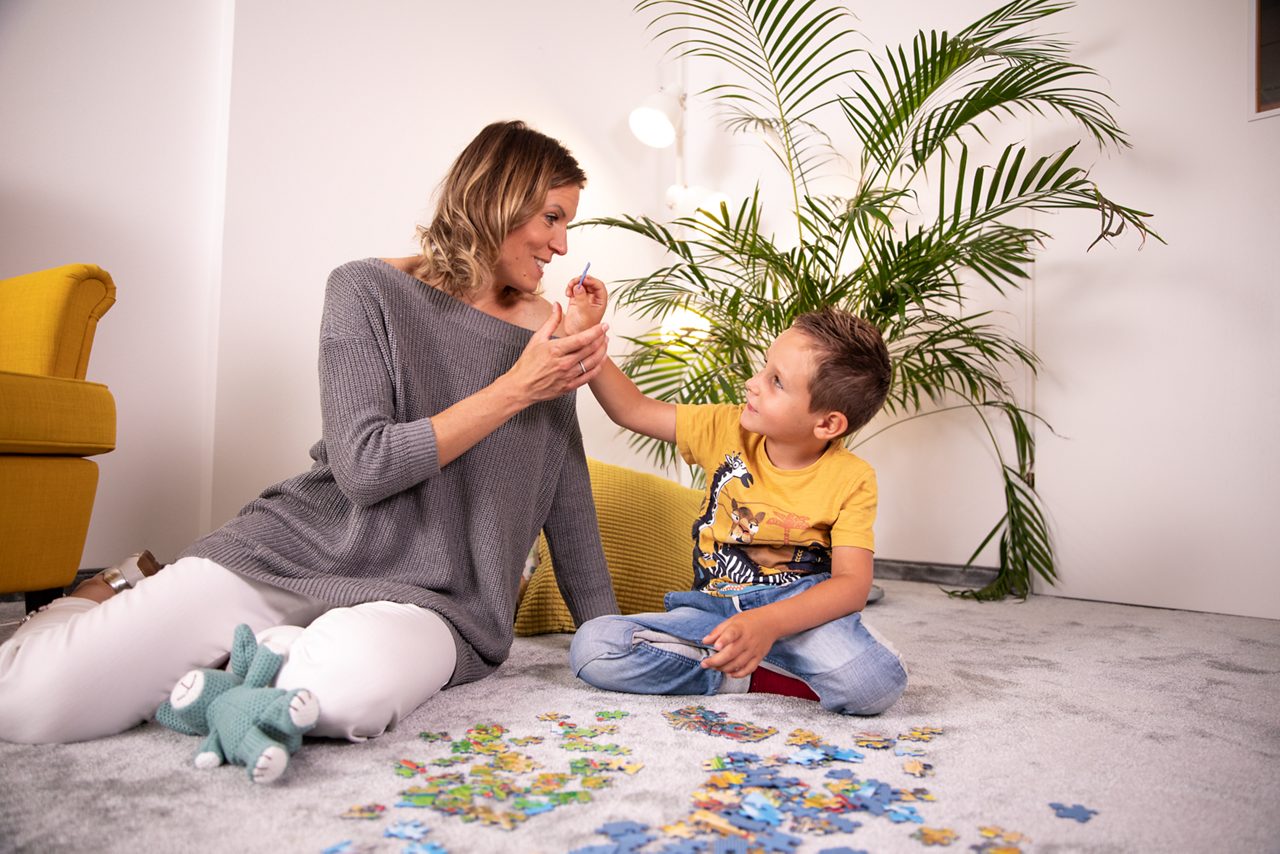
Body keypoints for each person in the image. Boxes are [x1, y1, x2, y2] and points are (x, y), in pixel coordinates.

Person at [0, 120, 619, 745]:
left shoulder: (550, 336)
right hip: (295, 552)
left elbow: (565, 498)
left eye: (568, 224)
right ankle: (101, 594)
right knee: (28, 705)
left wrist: (610, 639)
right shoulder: (365, 288)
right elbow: (365, 466)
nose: (562, 245)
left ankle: (246, 661)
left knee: (342, 699)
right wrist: (516, 387)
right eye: (551, 218)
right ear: (499, 200)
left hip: (434, 600)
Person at [564, 293, 908, 715]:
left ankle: (774, 656)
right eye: (765, 367)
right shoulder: (725, 427)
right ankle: (748, 674)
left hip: (798, 617)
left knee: (873, 684)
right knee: (595, 647)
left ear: (827, 423)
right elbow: (632, 409)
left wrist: (767, 624)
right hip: (713, 609)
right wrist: (584, 334)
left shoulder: (852, 477)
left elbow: (852, 585)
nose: (753, 382)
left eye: (776, 381)